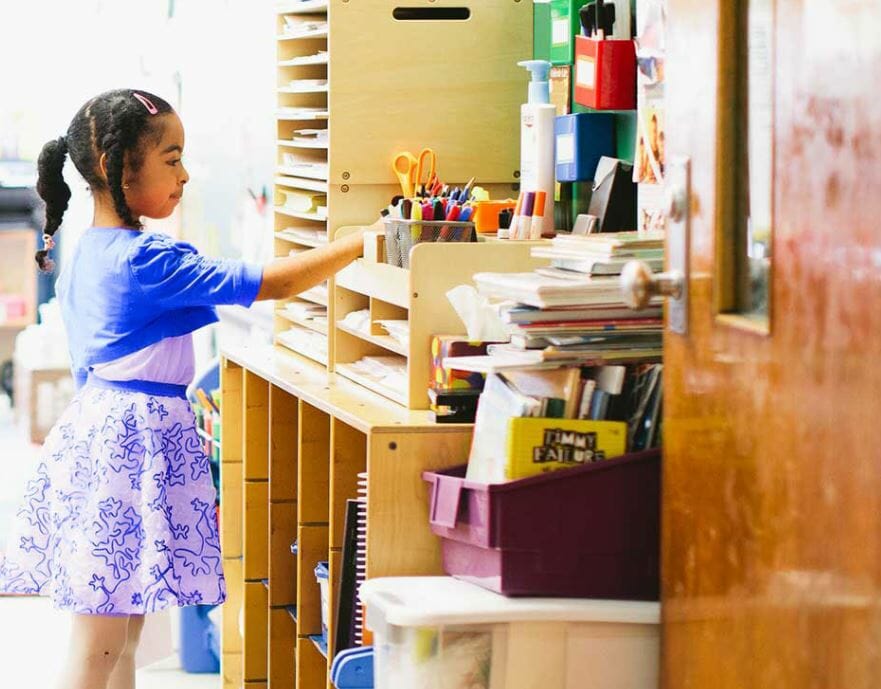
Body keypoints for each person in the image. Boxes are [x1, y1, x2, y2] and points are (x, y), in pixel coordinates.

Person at [0, 89, 364, 689]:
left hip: (106, 438)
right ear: (121, 169)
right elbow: (271, 284)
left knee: (120, 633)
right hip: (130, 450)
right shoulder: (145, 261)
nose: (185, 175)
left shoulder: (88, 252)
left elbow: (89, 366)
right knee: (101, 642)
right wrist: (363, 239)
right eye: (171, 159)